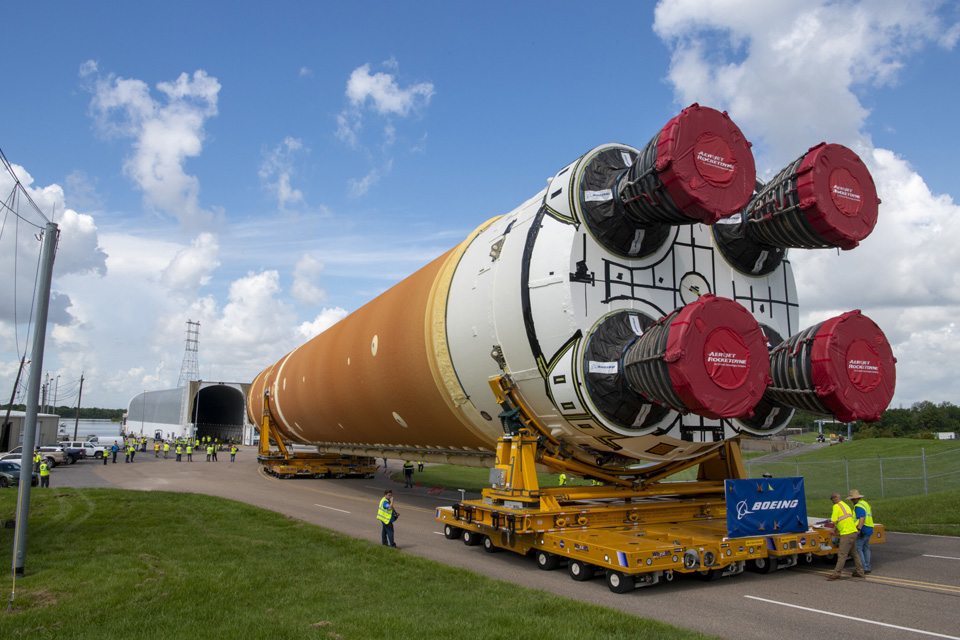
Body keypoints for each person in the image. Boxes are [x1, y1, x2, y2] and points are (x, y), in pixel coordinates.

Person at [828, 491, 864, 580]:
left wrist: (832, 530)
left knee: (842, 554)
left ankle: (836, 574)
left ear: (834, 499)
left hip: (847, 533)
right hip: (853, 532)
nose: (832, 501)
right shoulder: (845, 505)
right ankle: (860, 572)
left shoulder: (836, 506)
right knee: (854, 553)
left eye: (832, 499)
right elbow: (843, 519)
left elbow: (834, 521)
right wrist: (835, 529)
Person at [849, 489, 874, 574]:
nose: (852, 501)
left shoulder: (858, 506)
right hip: (869, 528)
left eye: (852, 499)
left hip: (863, 529)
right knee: (866, 548)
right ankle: (867, 566)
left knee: (858, 548)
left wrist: (859, 529)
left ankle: (863, 567)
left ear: (856, 498)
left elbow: (862, 518)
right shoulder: (865, 503)